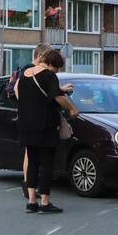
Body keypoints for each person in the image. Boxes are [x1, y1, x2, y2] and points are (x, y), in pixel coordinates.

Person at [16, 49, 78, 213]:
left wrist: (59, 89)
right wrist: (72, 108)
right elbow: (57, 98)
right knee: (47, 163)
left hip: (26, 125)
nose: (57, 71)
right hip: (45, 126)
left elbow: (24, 94)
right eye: (57, 68)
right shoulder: (49, 76)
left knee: (33, 163)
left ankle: (31, 202)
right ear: (51, 64)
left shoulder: (25, 75)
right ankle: (44, 202)